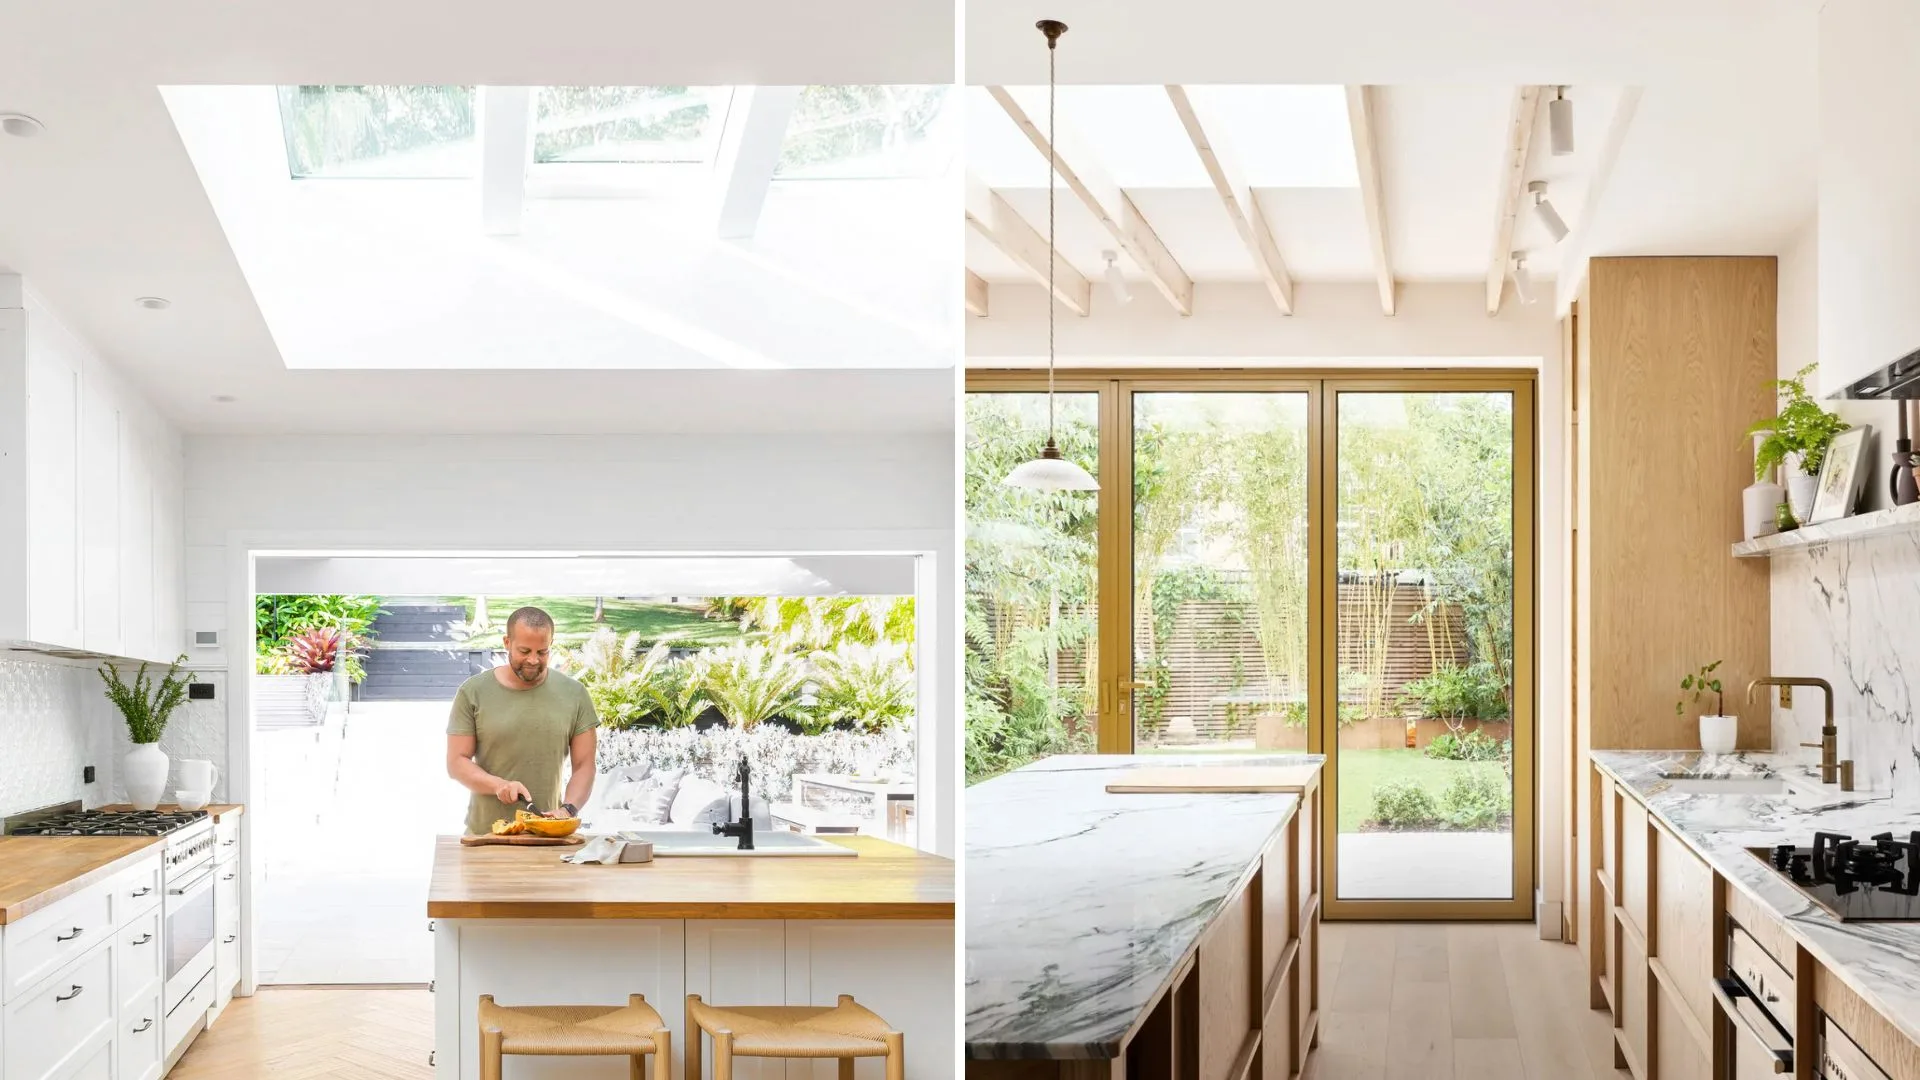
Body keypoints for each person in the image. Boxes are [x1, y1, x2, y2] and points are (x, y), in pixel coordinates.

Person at [445, 605, 598, 835]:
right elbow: (456, 763)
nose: (534, 660)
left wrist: (567, 809)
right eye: (524, 651)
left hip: (548, 838)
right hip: (485, 837)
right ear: (507, 643)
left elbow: (585, 765)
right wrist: (499, 786)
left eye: (542, 652)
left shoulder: (574, 694)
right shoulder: (473, 692)